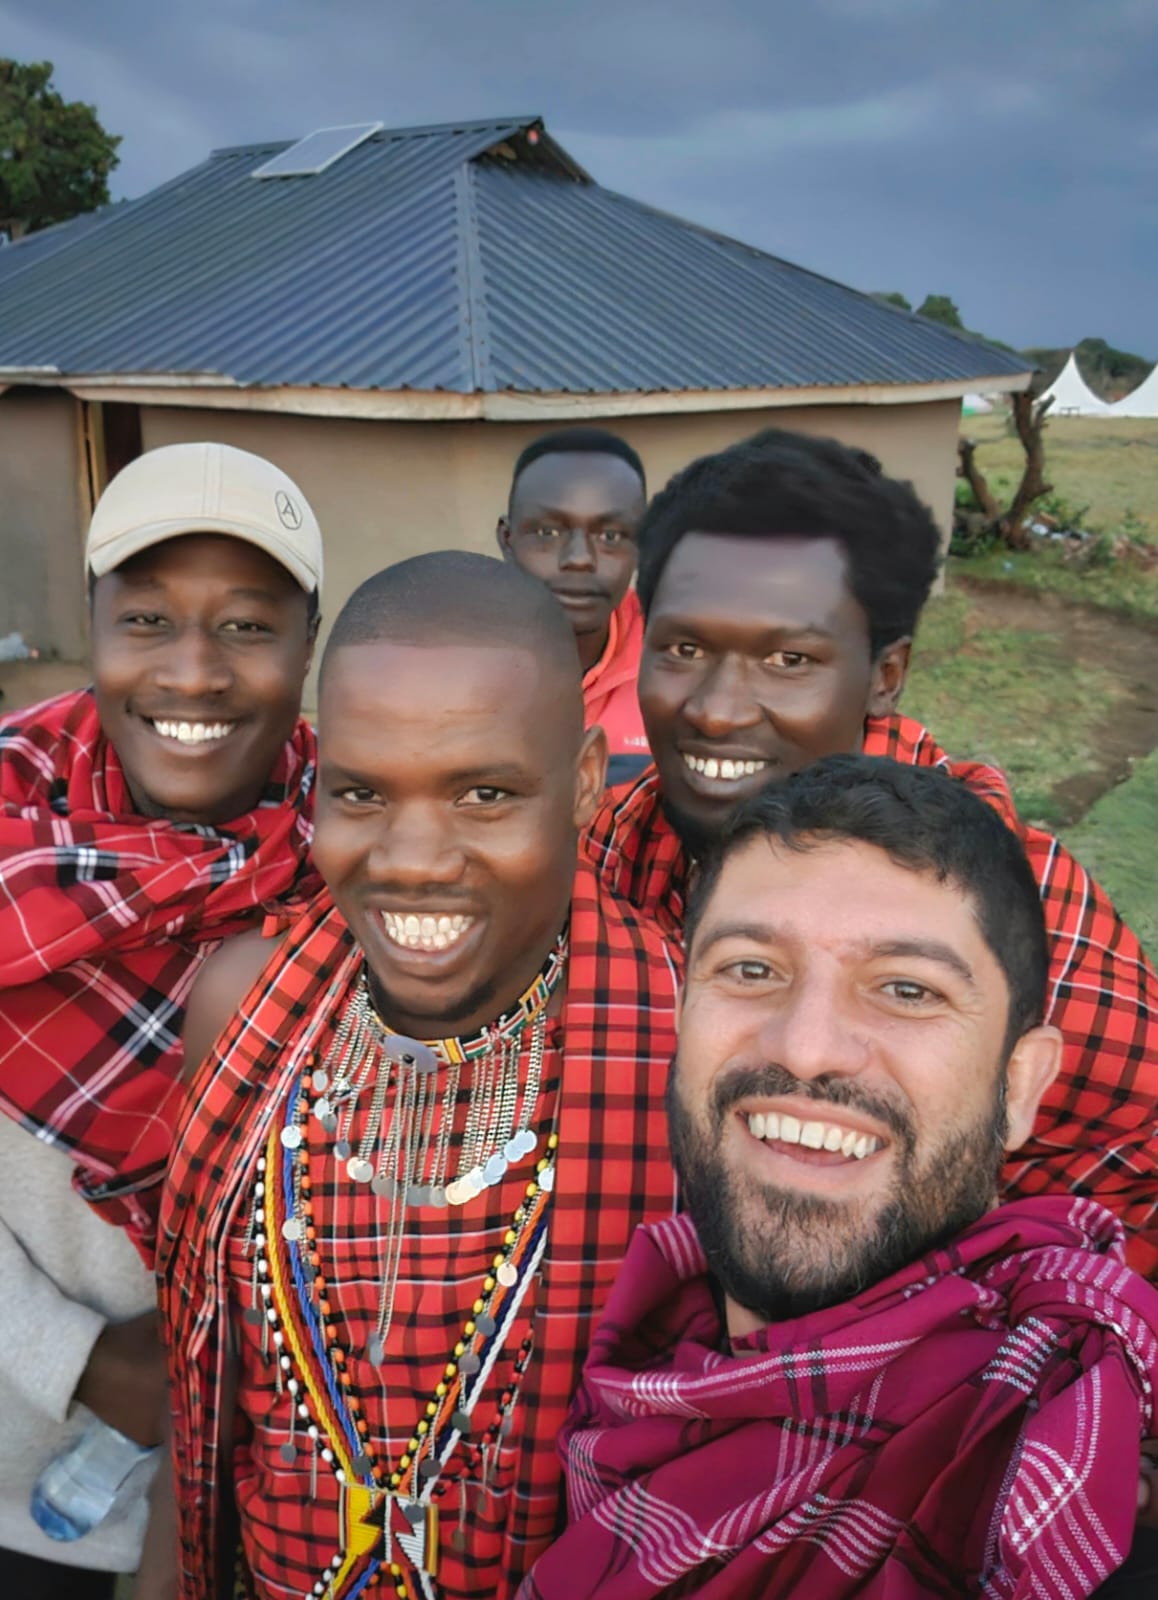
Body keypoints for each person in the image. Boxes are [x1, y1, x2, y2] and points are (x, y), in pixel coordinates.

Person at [149, 553, 679, 1600]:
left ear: (580, 784)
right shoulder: (249, 1008)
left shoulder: (682, 1049)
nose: (415, 857)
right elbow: (209, 1382)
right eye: (361, 793)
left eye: (484, 793)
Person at [526, 758, 1158, 1600]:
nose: (806, 1047)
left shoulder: (1068, 1483)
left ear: (1019, 1087)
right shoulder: (640, 1347)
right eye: (751, 970)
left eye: (906, 989)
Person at [583, 427, 1158, 1274]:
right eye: (684, 649)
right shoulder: (616, 845)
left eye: (788, 658)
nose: (715, 708)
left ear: (884, 675)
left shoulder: (1015, 912)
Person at [0, 441, 322, 1597]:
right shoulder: (7, 819)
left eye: (246, 625)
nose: (193, 672)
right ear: (91, 624)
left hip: (250, 1507)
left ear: (307, 645)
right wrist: (88, 1361)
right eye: (146, 620)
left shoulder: (372, 853)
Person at [497, 428, 649, 779]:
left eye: (610, 536)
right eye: (549, 533)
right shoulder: (447, 662)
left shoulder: (676, 666)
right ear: (508, 539)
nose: (580, 559)